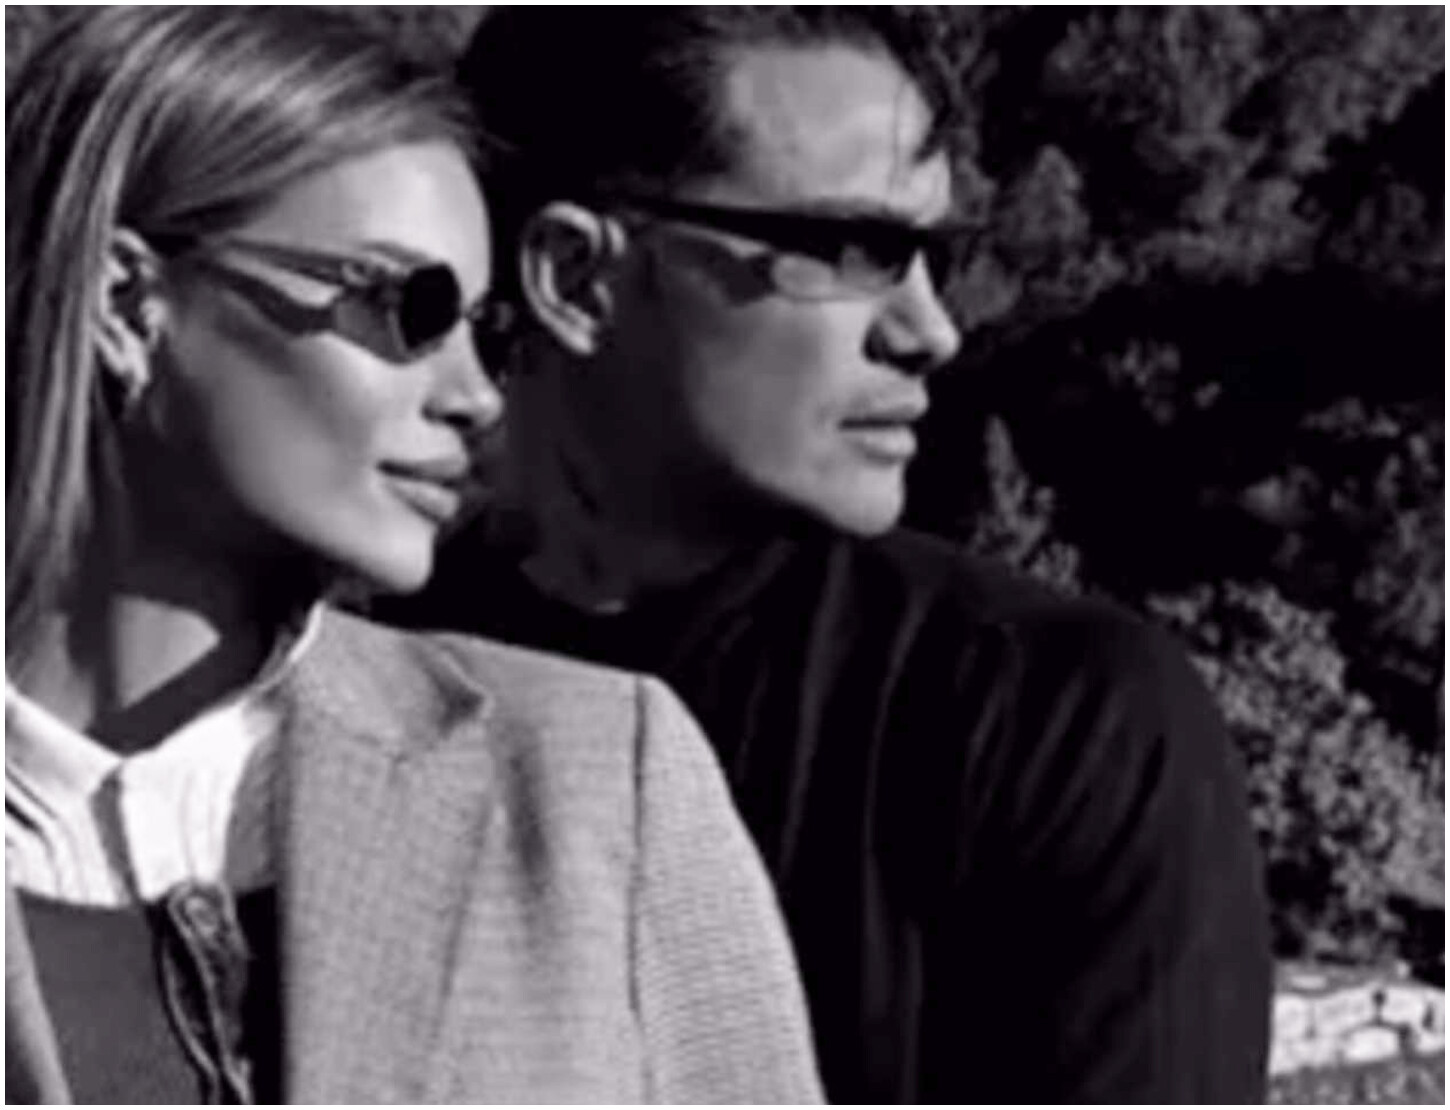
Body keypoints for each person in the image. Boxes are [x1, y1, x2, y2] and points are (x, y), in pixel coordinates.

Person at [391, 7, 1275, 1103]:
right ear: (574, 278)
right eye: (853, 251)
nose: (930, 330)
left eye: (933, 254)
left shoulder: (1052, 722)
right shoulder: (329, 688)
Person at [4, 8, 822, 1104]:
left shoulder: (592, 782)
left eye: (483, 329)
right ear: (125, 301)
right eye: (410, 307)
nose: (474, 395)